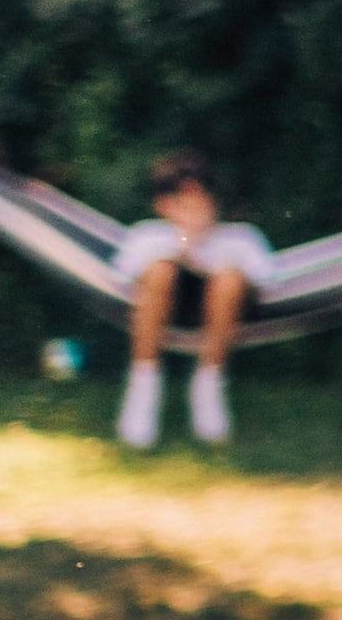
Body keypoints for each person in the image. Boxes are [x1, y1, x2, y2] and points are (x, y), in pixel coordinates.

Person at [110, 150, 268, 451]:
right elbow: (121, 278)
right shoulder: (147, 235)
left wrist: (209, 258)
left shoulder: (241, 237)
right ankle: (143, 389)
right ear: (163, 206)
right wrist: (184, 245)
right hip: (161, 309)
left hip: (220, 312)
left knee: (229, 277)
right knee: (160, 269)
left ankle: (208, 386)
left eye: (203, 196)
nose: (197, 207)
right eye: (183, 200)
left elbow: (267, 282)